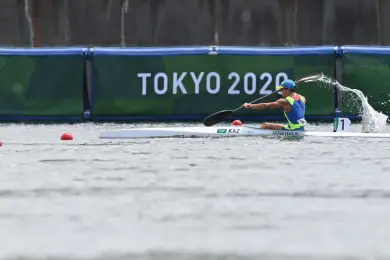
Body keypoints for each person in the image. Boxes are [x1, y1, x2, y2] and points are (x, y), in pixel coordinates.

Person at [241, 79, 307, 131]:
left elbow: (266, 106)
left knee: (265, 126)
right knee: (265, 124)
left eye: (282, 89)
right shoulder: (302, 98)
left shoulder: (284, 101)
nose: (281, 91)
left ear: (288, 90)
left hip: (293, 130)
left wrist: (249, 106)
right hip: (301, 128)